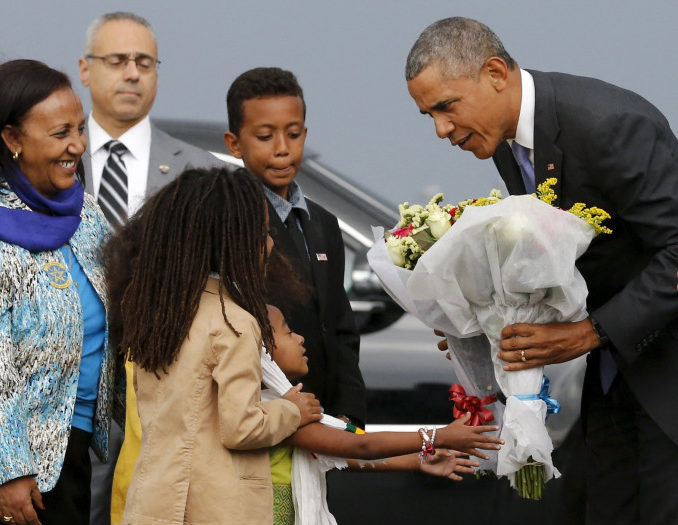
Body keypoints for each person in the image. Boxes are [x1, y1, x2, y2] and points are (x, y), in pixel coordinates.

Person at [405, 17, 678, 525]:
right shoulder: (509, 142)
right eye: (429, 116)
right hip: (614, 378)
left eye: (446, 107)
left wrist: (589, 332)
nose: (441, 130)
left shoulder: (607, 124)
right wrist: (478, 321)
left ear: (494, 73)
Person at [0, 59, 117, 525]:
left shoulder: (88, 215)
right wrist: (10, 472)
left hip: (69, 455)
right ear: (13, 140)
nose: (77, 145)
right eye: (60, 133)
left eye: (80, 129)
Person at [104, 166, 322, 524]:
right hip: (217, 509)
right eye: (262, 232)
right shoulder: (234, 322)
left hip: (153, 502)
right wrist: (291, 410)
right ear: (234, 241)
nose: (270, 243)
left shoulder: (155, 313)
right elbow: (243, 428)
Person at [77, 12, 224, 523]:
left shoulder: (198, 171)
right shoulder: (53, 157)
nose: (133, 73)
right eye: (117, 60)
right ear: (85, 69)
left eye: (144, 62)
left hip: (164, 376)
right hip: (70, 378)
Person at [264, 304, 502, 524]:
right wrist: (437, 436)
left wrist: (417, 460)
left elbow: (337, 453)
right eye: (288, 332)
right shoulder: (278, 412)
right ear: (261, 350)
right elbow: (360, 446)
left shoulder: (284, 406)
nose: (300, 338)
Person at [223, 67, 366, 429]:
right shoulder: (231, 222)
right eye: (265, 136)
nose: (283, 149)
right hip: (269, 414)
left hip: (326, 417)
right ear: (234, 143)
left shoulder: (324, 223)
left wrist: (349, 414)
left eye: (294, 133)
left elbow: (340, 327)